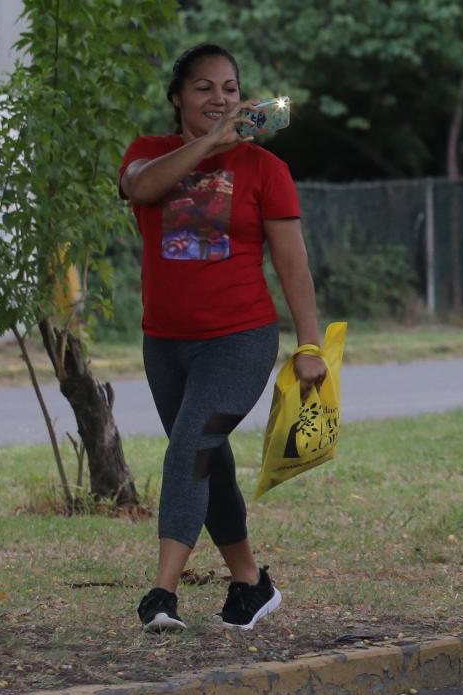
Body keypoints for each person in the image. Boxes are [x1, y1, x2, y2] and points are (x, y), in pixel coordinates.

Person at [120, 44, 326, 635]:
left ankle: (161, 594)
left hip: (240, 339)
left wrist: (308, 344)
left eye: (231, 89)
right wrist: (211, 143)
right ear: (178, 97)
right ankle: (250, 584)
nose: (220, 99)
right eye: (205, 88)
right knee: (210, 462)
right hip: (165, 343)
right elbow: (141, 188)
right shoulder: (148, 154)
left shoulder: (266, 170)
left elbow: (293, 265)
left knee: (191, 447)